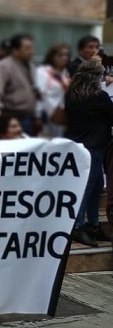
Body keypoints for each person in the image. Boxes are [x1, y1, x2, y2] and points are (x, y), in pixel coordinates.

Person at [65, 57, 113, 248]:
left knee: (95, 186)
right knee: (88, 187)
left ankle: (93, 223)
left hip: (77, 143)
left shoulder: (72, 93)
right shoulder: (97, 96)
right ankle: (79, 226)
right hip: (94, 145)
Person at [0, 33, 38, 135]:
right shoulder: (4, 66)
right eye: (27, 48)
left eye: (31, 48)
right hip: (10, 116)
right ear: (15, 50)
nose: (31, 52)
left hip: (28, 115)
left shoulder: (31, 66)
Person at [35, 44, 71, 138]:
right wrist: (38, 115)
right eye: (60, 55)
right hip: (45, 115)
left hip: (61, 115)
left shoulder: (65, 73)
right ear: (52, 56)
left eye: (66, 55)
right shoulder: (43, 72)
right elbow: (38, 94)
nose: (64, 58)